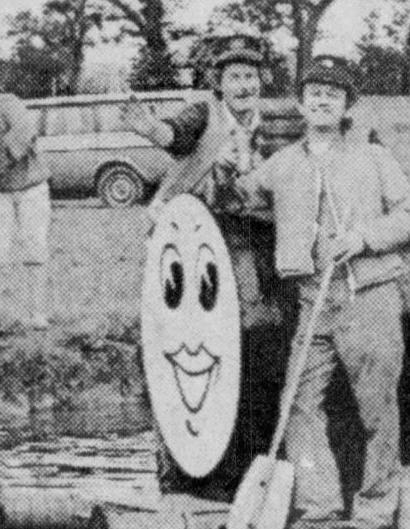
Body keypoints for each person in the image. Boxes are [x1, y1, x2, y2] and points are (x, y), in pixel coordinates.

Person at [237, 56, 410, 529]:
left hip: (369, 297)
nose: (322, 100)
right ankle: (319, 506)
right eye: (314, 93)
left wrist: (363, 237)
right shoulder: (282, 163)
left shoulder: (374, 157)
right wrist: (235, 155)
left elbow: (409, 219)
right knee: (298, 403)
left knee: (376, 407)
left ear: (347, 106)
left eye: (332, 94)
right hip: (312, 300)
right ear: (301, 104)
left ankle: (375, 510)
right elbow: (242, 195)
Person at [120, 35, 291, 495]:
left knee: (255, 337)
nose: (244, 85)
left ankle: (246, 454)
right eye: (234, 77)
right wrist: (150, 128)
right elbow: (173, 136)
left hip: (246, 238)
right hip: (191, 241)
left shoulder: (274, 122)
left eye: (250, 76)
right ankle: (177, 468)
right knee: (178, 344)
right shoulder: (203, 113)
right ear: (219, 83)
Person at [0, 93, 52, 330]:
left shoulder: (4, 102)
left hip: (30, 186)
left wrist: (0, 162)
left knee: (35, 248)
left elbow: (25, 130)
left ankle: (37, 313)